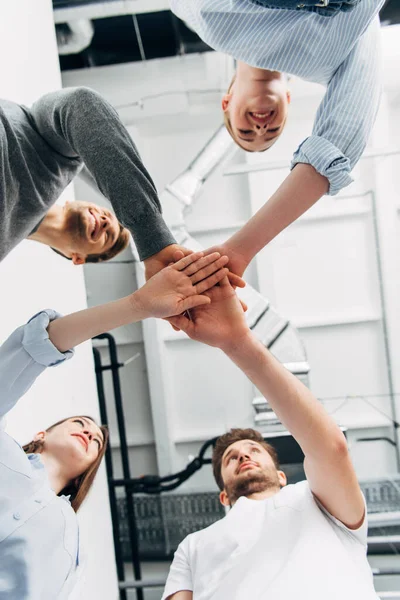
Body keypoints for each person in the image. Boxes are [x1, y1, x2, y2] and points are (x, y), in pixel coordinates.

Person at [0, 250, 230, 600]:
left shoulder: (70, 545)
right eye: (81, 423)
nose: (90, 433)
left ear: (88, 470)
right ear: (41, 434)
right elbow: (30, 350)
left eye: (96, 441)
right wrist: (137, 305)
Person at [163, 277, 379, 600]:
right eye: (230, 458)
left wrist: (237, 342)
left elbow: (332, 450)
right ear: (223, 496)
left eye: (252, 450)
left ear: (281, 476)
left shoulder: (316, 499)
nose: (242, 456)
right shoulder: (193, 547)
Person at [170, 0, 384, 281]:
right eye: (272, 131)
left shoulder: (209, 22)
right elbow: (339, 142)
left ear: (227, 102)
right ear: (288, 101)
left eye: (246, 131)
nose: (260, 127)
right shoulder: (335, 59)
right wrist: (240, 250)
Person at [0, 86, 192, 274]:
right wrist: (152, 239)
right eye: (106, 214)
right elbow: (81, 105)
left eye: (108, 236)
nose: (105, 222)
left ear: (78, 258)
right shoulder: (59, 157)